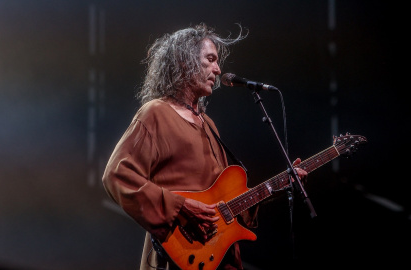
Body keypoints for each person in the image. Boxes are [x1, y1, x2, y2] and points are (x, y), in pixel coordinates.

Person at [102, 23, 308, 270]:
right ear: (184, 62)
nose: (218, 69)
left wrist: (276, 188)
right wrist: (181, 206)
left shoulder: (208, 124)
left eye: (217, 61)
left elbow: (226, 207)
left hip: (220, 257)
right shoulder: (156, 113)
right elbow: (117, 175)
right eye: (210, 59)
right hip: (178, 256)